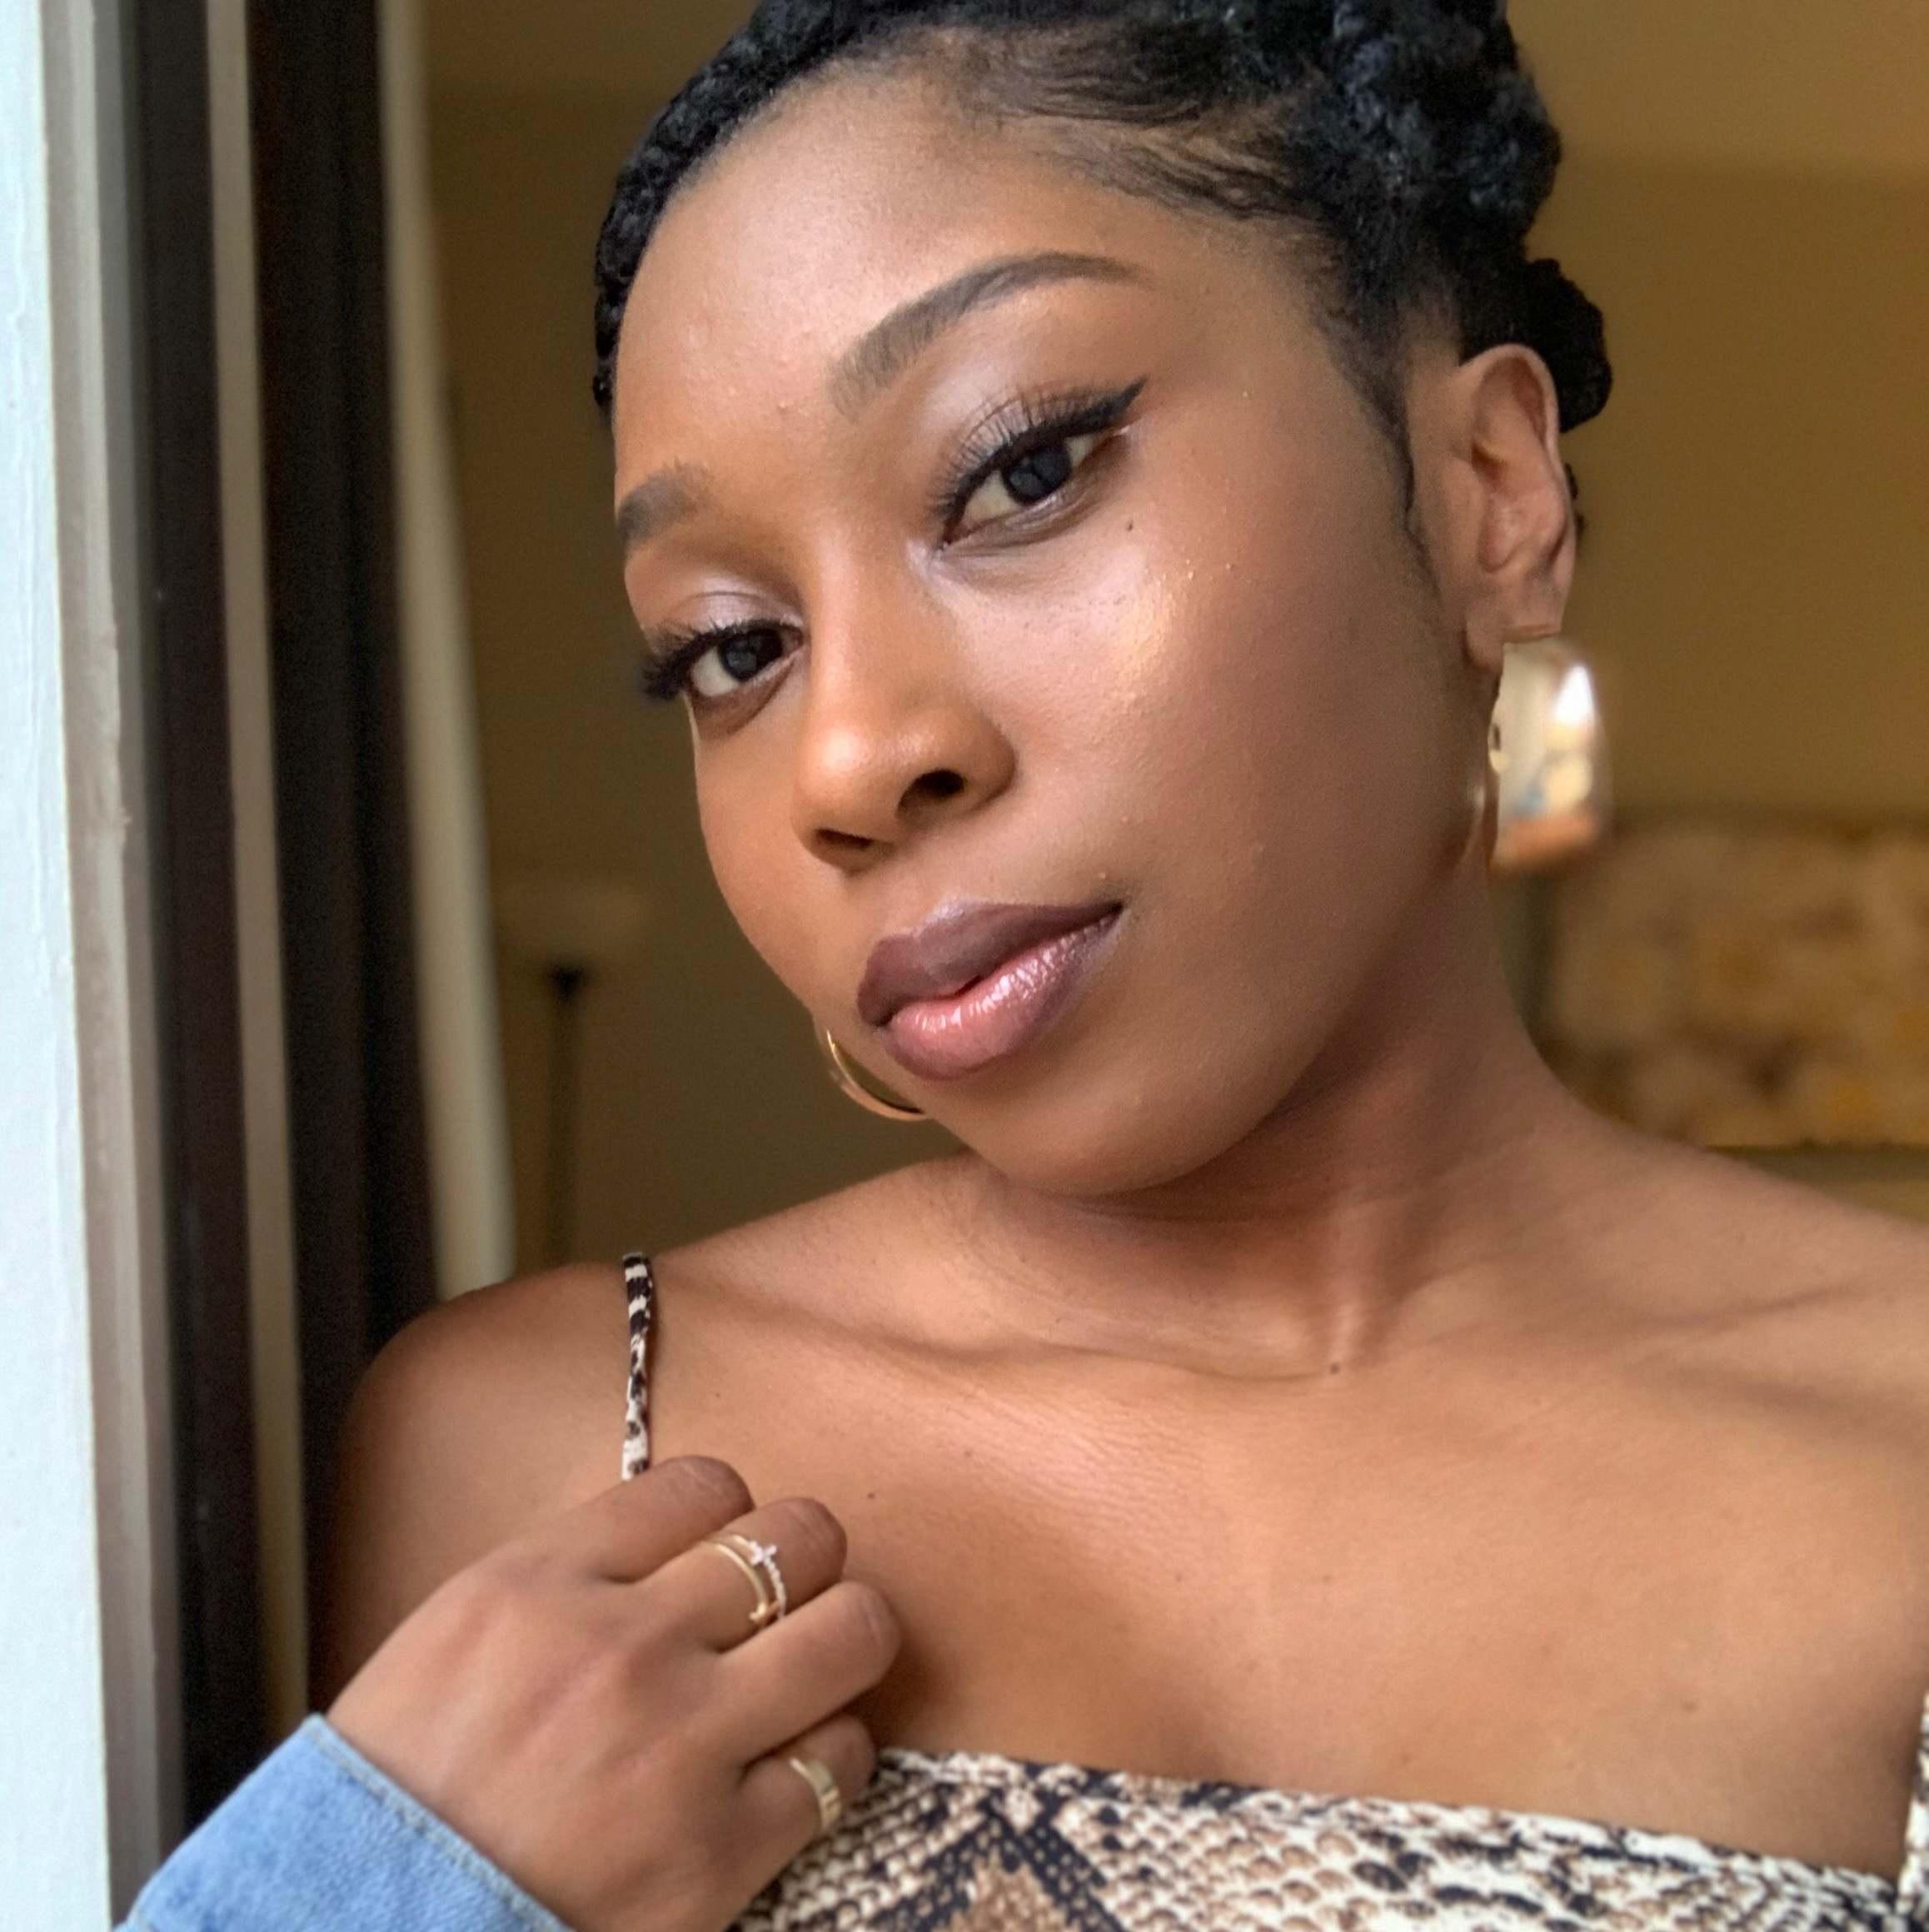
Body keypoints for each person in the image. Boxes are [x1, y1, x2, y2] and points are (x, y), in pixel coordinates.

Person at [124, 1, 1929, 1927]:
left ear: (1492, 485)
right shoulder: (547, 1453)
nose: (845, 761)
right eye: (732, 646)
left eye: (1021, 472)